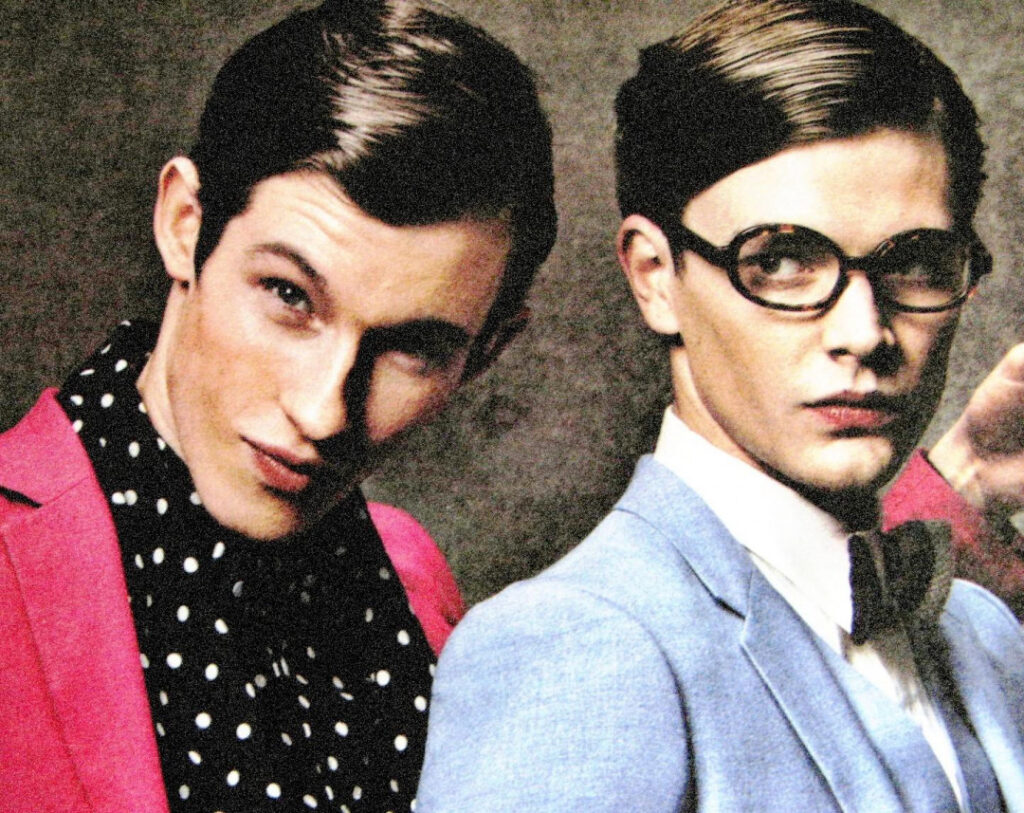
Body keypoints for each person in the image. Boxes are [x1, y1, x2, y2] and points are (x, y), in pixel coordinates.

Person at [417, 1, 1024, 810]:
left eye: (916, 263)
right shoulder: (577, 643)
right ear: (655, 277)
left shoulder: (986, 634)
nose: (864, 332)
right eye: (782, 260)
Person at [0, 0, 555, 810]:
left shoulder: (409, 574)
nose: (324, 410)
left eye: (412, 347)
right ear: (185, 225)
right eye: (289, 295)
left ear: (487, 353)